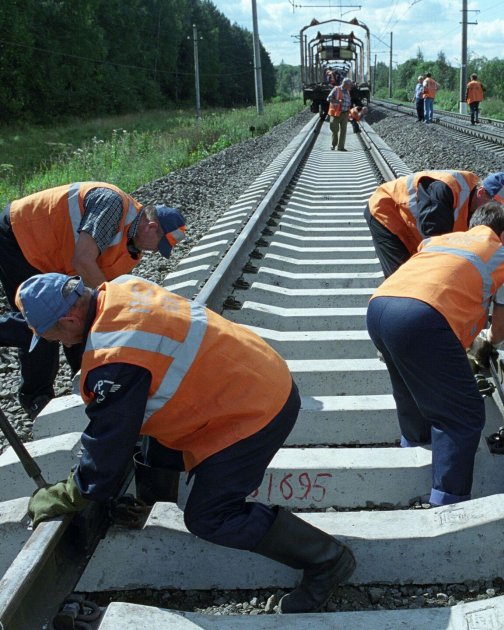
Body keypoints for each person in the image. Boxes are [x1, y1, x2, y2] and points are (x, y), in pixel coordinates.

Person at [18, 272, 355, 614]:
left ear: (70, 319)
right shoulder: (121, 288)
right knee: (149, 436)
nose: (57, 344)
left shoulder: (115, 355)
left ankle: (327, 560)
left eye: (51, 336)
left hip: (254, 413)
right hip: (254, 375)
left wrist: (74, 492)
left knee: (210, 516)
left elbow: (109, 439)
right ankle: (152, 503)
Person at [366, 203, 504, 505]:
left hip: (379, 308)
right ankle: (447, 501)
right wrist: (486, 340)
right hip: (420, 319)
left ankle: (414, 449)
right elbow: (501, 328)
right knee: (462, 414)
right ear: (502, 235)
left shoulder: (440, 240)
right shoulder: (503, 257)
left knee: (409, 389)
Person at [0, 182, 186, 418]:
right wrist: (113, 310)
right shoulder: (112, 205)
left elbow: (90, 303)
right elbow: (83, 261)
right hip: (22, 236)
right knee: (43, 321)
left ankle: (83, 381)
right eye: (160, 245)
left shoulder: (130, 250)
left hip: (54, 254)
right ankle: (37, 399)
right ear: (151, 226)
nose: (155, 251)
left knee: (81, 315)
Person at [365, 170, 504, 277]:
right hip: (387, 212)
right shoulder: (445, 190)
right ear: (481, 193)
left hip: (413, 225)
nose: (496, 213)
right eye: (495, 206)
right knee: (402, 276)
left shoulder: (478, 206)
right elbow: (435, 245)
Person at [327, 78, 353, 151]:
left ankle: (341, 147)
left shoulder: (347, 91)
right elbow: (328, 98)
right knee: (334, 129)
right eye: (349, 85)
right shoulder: (336, 89)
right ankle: (334, 144)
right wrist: (338, 101)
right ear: (345, 84)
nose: (350, 86)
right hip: (336, 113)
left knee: (343, 131)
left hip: (345, 113)